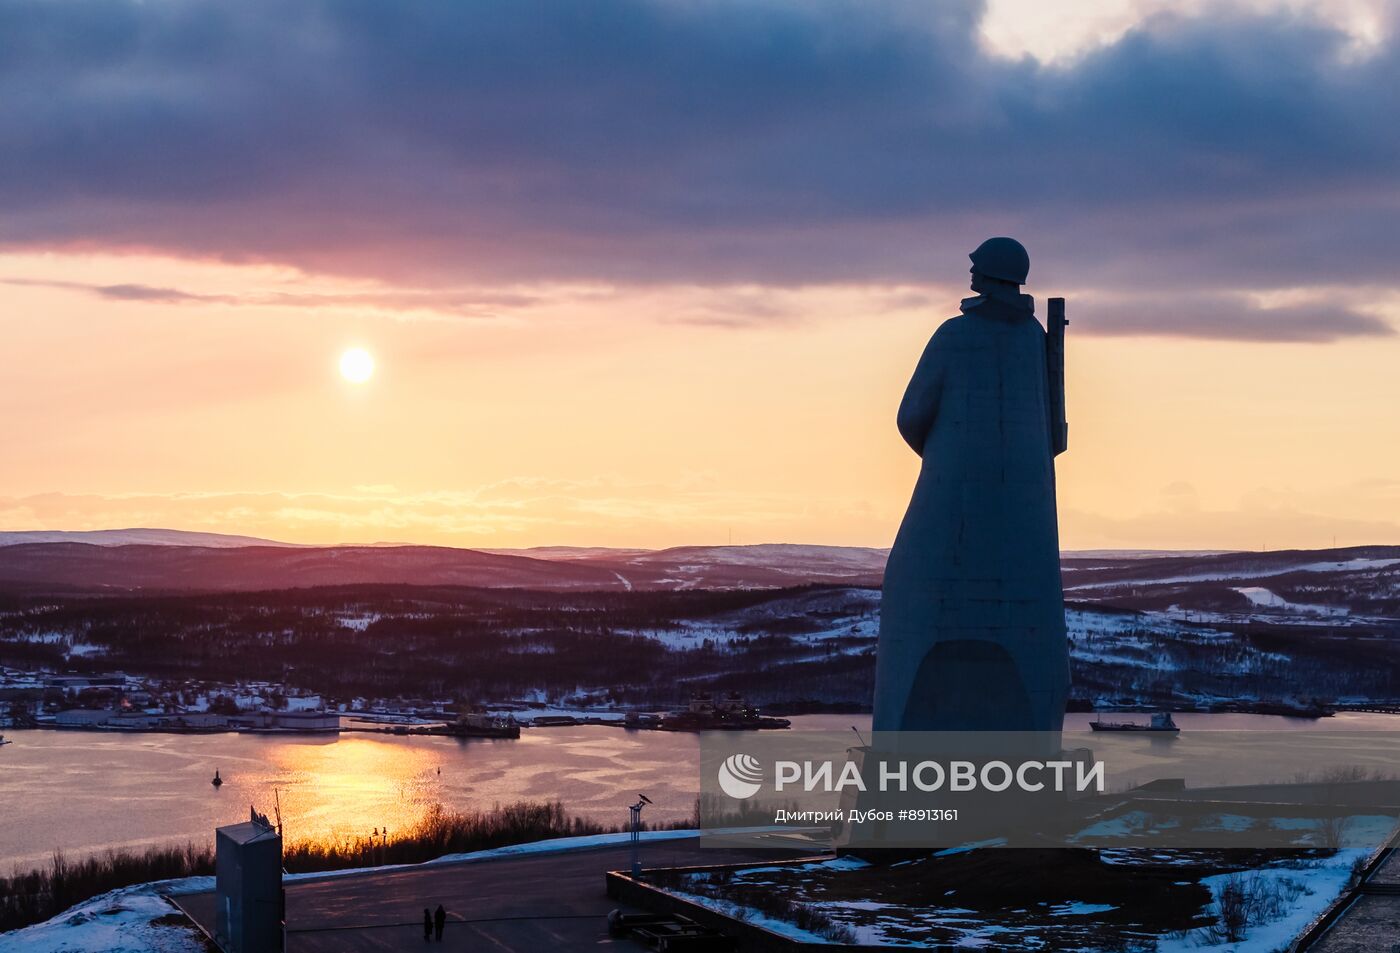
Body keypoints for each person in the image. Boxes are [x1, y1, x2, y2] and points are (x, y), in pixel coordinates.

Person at [873, 237, 1069, 735]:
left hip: (946, 509)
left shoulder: (955, 336)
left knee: (911, 614)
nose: (971, 274)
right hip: (1027, 526)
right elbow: (1053, 436)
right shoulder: (1034, 342)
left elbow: (911, 416)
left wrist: (950, 460)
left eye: (976, 268)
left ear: (988, 275)